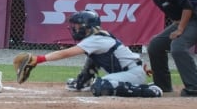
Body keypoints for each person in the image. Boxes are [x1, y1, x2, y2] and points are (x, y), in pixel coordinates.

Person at [23, 10, 162, 97]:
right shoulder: (96, 38)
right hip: (132, 71)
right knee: (92, 59)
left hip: (133, 74)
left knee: (102, 86)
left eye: (77, 26)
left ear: (87, 27)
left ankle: (147, 90)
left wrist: (39, 59)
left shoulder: (96, 39)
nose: (75, 29)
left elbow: (65, 53)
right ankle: (83, 82)